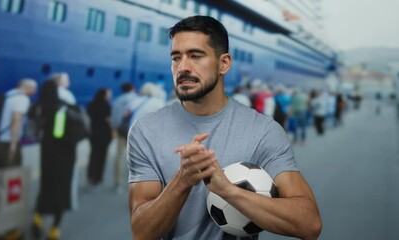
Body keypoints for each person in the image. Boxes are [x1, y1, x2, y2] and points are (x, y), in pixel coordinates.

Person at [127, 16, 321, 240]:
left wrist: (228, 191)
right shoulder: (146, 130)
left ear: (224, 63)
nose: (182, 67)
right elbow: (141, 232)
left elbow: (309, 224)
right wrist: (183, 179)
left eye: (195, 56)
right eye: (176, 57)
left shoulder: (263, 130)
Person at [0, 78, 37, 240]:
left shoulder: (6, 96)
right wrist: (14, 145)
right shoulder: (22, 99)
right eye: (34, 88)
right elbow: (16, 121)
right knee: (10, 184)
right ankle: (5, 227)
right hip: (7, 145)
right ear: (27, 88)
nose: (35, 92)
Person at [31, 73, 78, 240]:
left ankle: (38, 217)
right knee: (62, 186)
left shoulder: (42, 100)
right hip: (64, 150)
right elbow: (74, 125)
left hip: (47, 147)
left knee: (47, 182)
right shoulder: (66, 99)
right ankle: (55, 229)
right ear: (60, 83)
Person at [111, 83, 139, 192]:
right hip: (134, 131)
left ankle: (118, 182)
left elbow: (114, 119)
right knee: (136, 157)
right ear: (133, 88)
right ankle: (136, 182)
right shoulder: (137, 99)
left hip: (121, 130)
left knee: (119, 156)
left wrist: (115, 128)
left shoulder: (117, 100)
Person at [86, 88, 112, 186]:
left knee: (93, 154)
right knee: (102, 156)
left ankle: (90, 175)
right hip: (104, 134)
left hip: (93, 133)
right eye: (108, 94)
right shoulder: (107, 106)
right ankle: (98, 177)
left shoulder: (91, 104)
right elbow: (108, 120)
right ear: (104, 95)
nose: (109, 96)